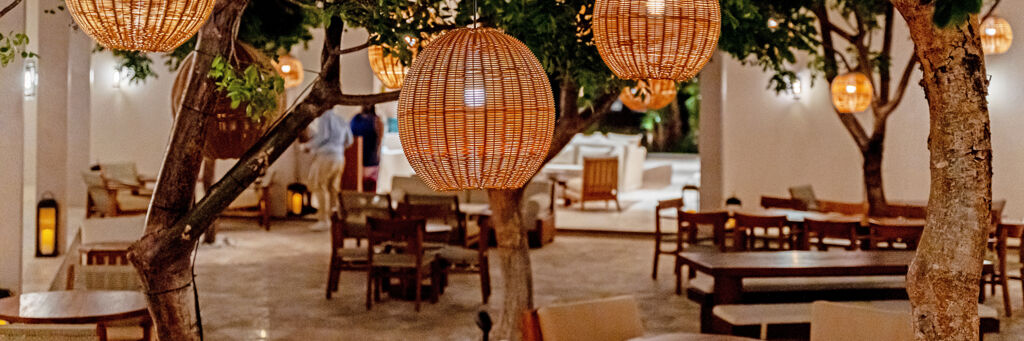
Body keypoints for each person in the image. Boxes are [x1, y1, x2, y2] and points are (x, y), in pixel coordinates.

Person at [304, 106, 354, 231]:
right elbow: (349, 140)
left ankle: (323, 219)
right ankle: (334, 219)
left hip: (326, 157)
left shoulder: (325, 117)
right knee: (333, 188)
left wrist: (308, 146)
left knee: (319, 186)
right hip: (339, 157)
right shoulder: (341, 119)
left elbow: (323, 136)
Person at [349, 104, 384, 191]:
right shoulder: (356, 119)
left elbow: (379, 139)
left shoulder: (376, 119)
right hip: (357, 159)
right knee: (357, 187)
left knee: (367, 187)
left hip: (370, 159)